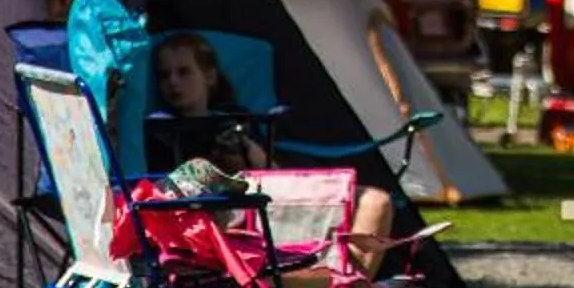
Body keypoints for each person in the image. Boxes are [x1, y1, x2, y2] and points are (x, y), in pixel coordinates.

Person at [149, 31, 398, 273]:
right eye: (164, 75)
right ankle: (338, 285)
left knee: (373, 201)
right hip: (225, 220)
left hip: (266, 202)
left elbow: (273, 172)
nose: (173, 82)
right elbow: (168, 189)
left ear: (210, 76)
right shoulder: (159, 131)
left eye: (183, 72)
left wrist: (244, 149)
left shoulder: (237, 120)